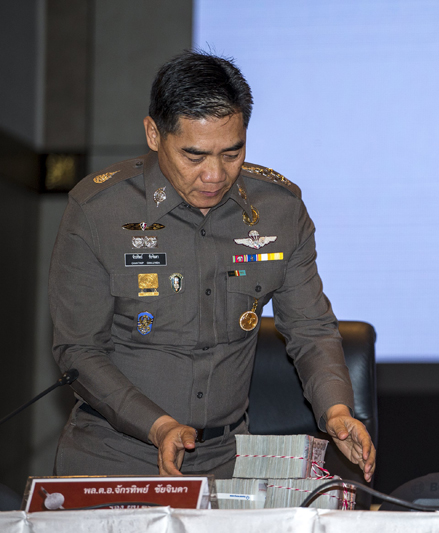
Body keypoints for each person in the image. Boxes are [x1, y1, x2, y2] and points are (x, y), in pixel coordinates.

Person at [49, 51, 375, 481]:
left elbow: (311, 328)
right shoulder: (98, 212)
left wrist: (335, 410)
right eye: (195, 155)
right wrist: (159, 425)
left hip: (226, 463)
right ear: (153, 133)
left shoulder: (279, 210)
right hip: (112, 458)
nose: (215, 175)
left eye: (232, 153)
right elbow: (79, 350)